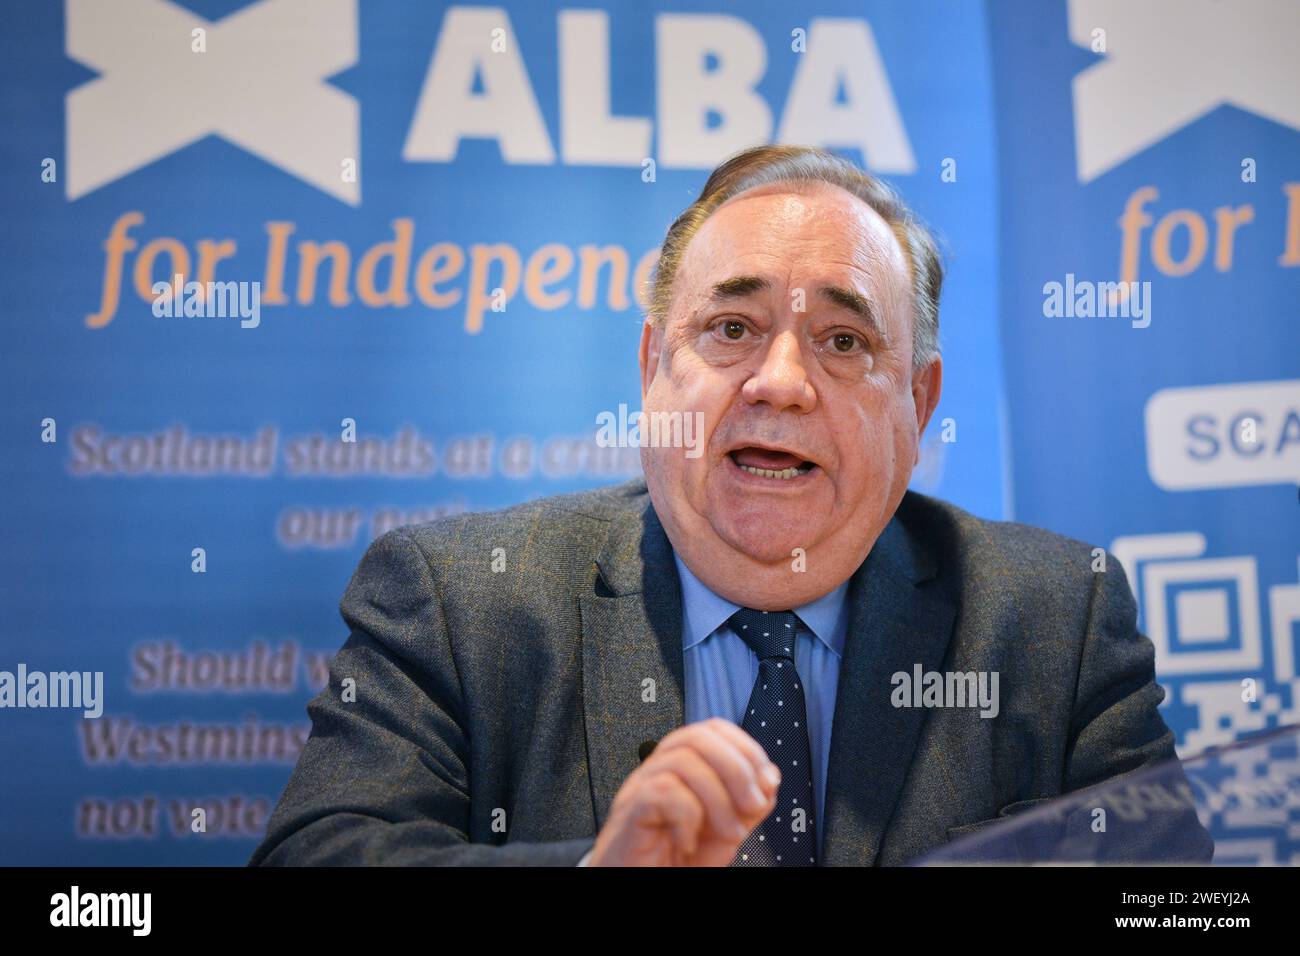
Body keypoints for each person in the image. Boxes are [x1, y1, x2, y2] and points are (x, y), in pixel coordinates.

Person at [249, 144, 1213, 867]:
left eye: (843, 341)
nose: (781, 382)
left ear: (917, 406)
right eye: (732, 327)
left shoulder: (1055, 617)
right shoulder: (460, 603)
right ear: (651, 366)